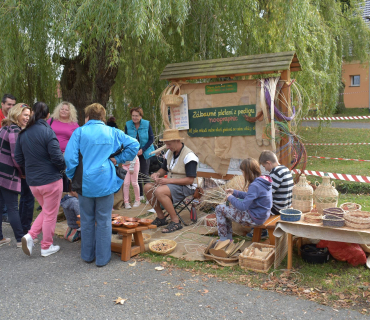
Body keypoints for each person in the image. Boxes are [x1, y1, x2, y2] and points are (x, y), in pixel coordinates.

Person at [64, 103, 139, 267]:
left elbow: (69, 158)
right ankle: (103, 258)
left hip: (85, 182)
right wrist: (118, 159)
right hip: (105, 180)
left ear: (87, 117)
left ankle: (87, 255)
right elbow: (134, 144)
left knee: (87, 220)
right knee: (104, 220)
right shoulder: (112, 131)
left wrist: (72, 176)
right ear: (103, 117)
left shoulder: (80, 131)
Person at [15, 102, 65, 257]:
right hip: (50, 179)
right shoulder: (47, 131)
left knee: (47, 211)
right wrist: (63, 168)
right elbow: (57, 157)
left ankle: (30, 236)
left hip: (33, 181)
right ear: (48, 116)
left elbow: (18, 157)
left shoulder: (23, 133)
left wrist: (30, 167)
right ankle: (45, 246)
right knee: (50, 213)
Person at [144, 129, 199, 233]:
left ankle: (175, 221)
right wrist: (157, 174)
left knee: (160, 191)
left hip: (186, 187)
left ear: (177, 141)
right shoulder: (170, 152)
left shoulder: (189, 156)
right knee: (147, 187)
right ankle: (161, 218)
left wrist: (168, 181)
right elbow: (164, 169)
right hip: (171, 184)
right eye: (166, 144)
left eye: (169, 144)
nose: (167, 147)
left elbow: (190, 180)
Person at [215, 158, 272, 241]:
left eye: (243, 172)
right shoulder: (263, 181)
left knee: (219, 208)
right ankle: (228, 239)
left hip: (254, 218)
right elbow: (250, 196)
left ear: (248, 172)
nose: (243, 174)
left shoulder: (255, 185)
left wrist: (230, 197)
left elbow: (243, 206)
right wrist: (234, 192)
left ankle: (224, 239)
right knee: (225, 210)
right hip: (261, 215)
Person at [0, 103, 31, 248]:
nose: (27, 118)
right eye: (25, 115)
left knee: (1, 206)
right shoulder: (14, 131)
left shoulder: (4, 127)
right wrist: (23, 172)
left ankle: (0, 238)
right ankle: (20, 239)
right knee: (12, 207)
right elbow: (16, 156)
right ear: (17, 114)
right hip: (7, 174)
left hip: (1, 171)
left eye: (29, 116)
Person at [125, 107, 155, 200]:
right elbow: (126, 139)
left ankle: (148, 195)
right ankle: (141, 195)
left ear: (141, 116)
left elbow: (151, 139)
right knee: (136, 173)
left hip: (146, 151)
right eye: (133, 115)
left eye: (136, 116)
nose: (134, 118)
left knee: (144, 173)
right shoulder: (128, 124)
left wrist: (143, 149)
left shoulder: (147, 124)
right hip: (134, 153)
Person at [259, 150, 294, 215]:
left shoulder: (275, 172)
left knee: (251, 207)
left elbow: (267, 193)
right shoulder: (285, 169)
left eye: (264, 166)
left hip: (277, 209)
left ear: (269, 163)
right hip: (287, 206)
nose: (266, 169)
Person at [1, 94, 16, 224]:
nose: (11, 107)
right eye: (8, 104)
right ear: (2, 104)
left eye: (13, 104)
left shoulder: (12, 118)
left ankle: (5, 213)